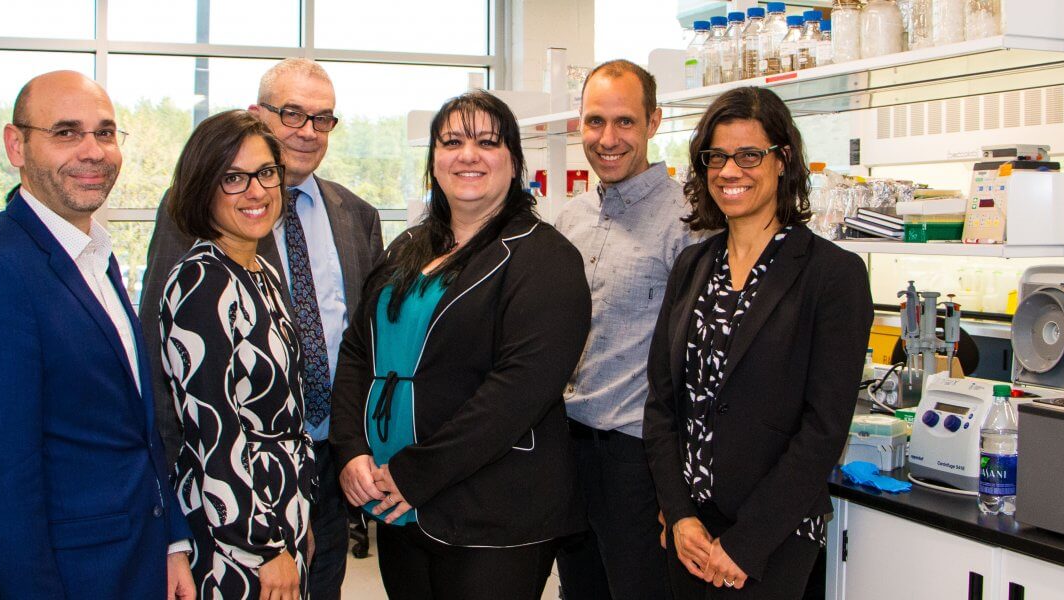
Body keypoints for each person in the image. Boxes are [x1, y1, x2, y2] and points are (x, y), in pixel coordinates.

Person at [0, 70, 194, 599]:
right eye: (65, 132)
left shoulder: (95, 256)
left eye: (105, 133)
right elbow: (1, 476)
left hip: (138, 556)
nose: (93, 151)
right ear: (16, 144)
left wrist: (171, 542)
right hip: (75, 576)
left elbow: (135, 430)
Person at [329, 90, 592, 600]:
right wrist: (350, 449)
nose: (467, 154)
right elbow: (359, 352)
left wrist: (411, 474)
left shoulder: (546, 260)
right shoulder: (408, 248)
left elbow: (516, 395)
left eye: (487, 142)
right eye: (451, 141)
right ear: (434, 160)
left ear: (514, 160)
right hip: (398, 505)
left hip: (493, 513)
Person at [139, 58, 383, 599]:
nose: (307, 131)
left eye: (322, 119)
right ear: (257, 114)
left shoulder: (356, 217)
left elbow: (364, 349)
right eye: (292, 113)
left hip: (321, 467)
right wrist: (174, 528)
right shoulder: (200, 236)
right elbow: (174, 380)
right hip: (232, 498)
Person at [642, 86, 873, 598]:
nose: (730, 171)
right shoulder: (693, 266)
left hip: (773, 538)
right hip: (691, 534)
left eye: (749, 155)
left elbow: (824, 428)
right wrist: (679, 514)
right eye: (716, 157)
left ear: (783, 160)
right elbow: (662, 405)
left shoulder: (832, 276)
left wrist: (747, 543)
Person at [553, 59, 703, 600]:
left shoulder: (690, 221)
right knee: (581, 591)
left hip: (638, 459)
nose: (608, 138)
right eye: (595, 122)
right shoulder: (568, 218)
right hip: (568, 448)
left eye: (625, 122)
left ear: (654, 122)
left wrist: (679, 493)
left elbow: (699, 363)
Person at [158, 109, 313, 599]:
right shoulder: (202, 283)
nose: (256, 191)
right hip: (238, 540)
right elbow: (215, 433)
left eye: (266, 172)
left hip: (280, 518)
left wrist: (298, 521)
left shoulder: (259, 271)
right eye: (233, 178)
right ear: (203, 188)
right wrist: (266, 547)